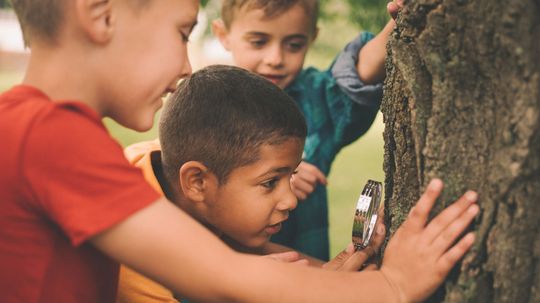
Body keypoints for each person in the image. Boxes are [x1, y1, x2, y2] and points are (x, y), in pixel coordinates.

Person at [0, 0, 479, 302]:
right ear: (101, 15)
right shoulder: (48, 136)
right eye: (183, 31)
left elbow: (224, 247)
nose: (186, 64)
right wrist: (389, 288)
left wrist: (338, 280)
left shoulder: (36, 131)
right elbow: (224, 274)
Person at [117, 65, 388, 303]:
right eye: (270, 182)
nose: (291, 200)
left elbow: (247, 248)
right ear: (197, 182)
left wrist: (342, 278)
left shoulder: (184, 169)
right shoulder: (132, 262)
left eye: (290, 175)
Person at [211, 0, 403, 260]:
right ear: (223, 35)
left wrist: (400, 18)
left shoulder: (314, 100)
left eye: (294, 45)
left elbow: (358, 77)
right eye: (258, 42)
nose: (275, 59)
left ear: (313, 37)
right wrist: (279, 178)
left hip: (306, 275)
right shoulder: (207, 107)